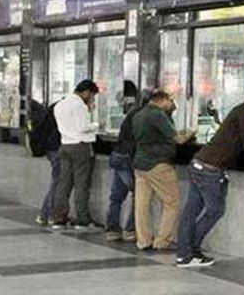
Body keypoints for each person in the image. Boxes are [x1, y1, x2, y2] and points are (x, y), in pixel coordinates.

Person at [175, 81, 244, 267]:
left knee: (191, 212)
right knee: (215, 210)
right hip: (210, 169)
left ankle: (184, 254)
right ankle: (190, 250)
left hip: (199, 164)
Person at [132, 91, 195, 251]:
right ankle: (162, 241)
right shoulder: (158, 115)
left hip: (140, 164)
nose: (172, 104)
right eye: (170, 100)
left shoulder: (138, 114)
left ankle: (143, 240)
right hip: (158, 164)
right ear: (162, 100)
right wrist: (191, 132)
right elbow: (179, 139)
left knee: (142, 205)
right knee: (172, 202)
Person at [51, 80, 101, 229]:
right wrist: (97, 125)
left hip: (65, 145)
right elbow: (82, 127)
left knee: (64, 183)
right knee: (81, 184)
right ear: (86, 92)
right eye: (92, 95)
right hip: (80, 147)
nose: (91, 99)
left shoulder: (60, 104)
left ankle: (59, 218)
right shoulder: (79, 105)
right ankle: (83, 219)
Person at [104, 87, 143, 242]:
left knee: (117, 196)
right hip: (129, 158)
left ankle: (112, 229)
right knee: (138, 194)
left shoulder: (132, 114)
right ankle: (130, 229)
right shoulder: (143, 115)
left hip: (118, 156)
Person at [32, 98, 62, 226]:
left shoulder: (54, 107)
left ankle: (45, 214)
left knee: (57, 181)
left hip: (50, 148)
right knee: (58, 181)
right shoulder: (62, 108)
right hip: (56, 148)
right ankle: (49, 214)